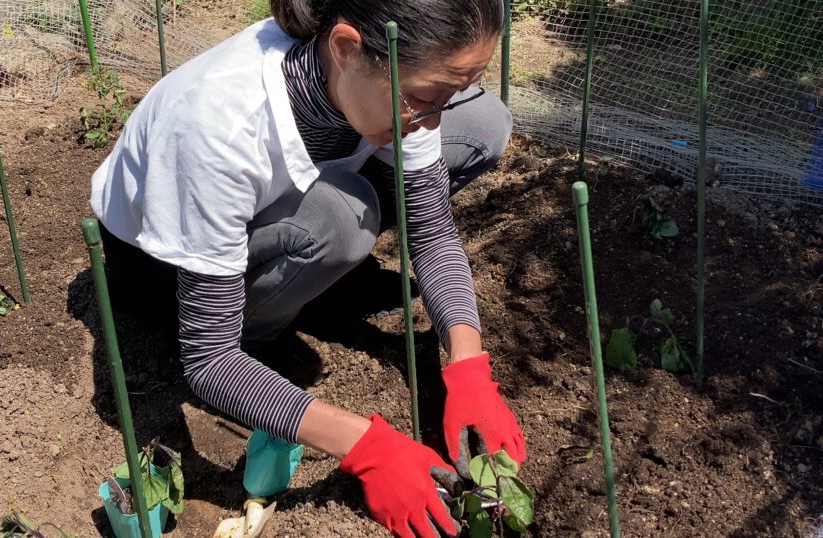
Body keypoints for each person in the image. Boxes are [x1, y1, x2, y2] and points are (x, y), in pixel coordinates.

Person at [90, 0, 526, 535]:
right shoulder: (217, 123)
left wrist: (467, 365)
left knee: (482, 123)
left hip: (267, 209)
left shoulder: (387, 77)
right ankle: (274, 316)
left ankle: (305, 277)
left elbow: (430, 227)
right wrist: (369, 447)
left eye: (443, 98)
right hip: (158, 273)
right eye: (423, 98)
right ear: (346, 48)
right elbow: (208, 360)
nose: (431, 118)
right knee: (344, 221)